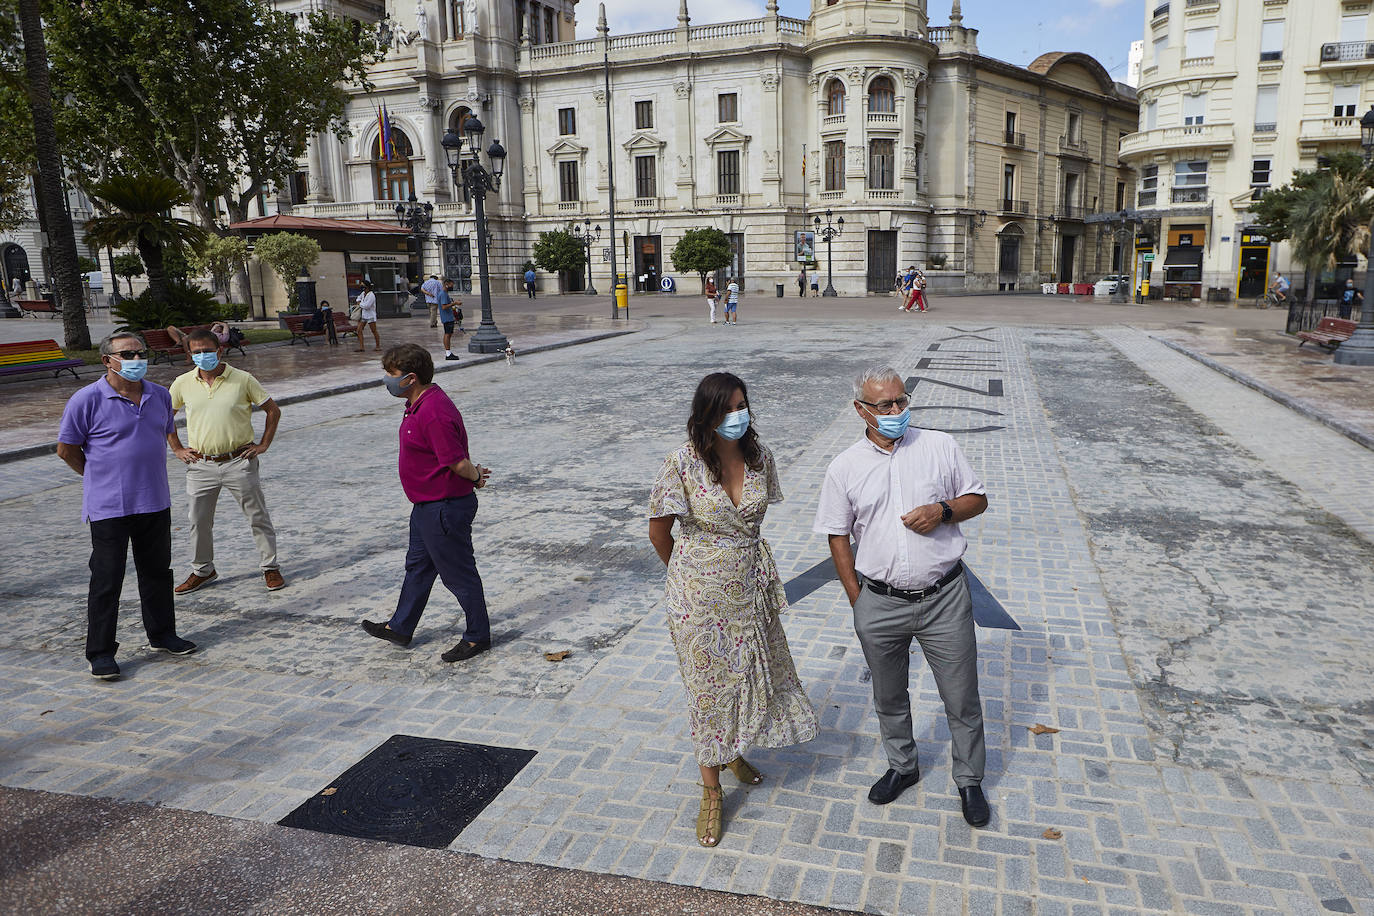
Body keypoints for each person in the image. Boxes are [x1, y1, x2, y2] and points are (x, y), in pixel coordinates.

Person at [813, 366, 992, 828]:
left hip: (944, 599)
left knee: (962, 698)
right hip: (880, 602)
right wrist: (859, 599)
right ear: (861, 410)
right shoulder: (844, 467)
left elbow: (978, 498)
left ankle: (969, 779)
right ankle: (903, 766)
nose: (897, 412)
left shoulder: (939, 447)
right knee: (889, 696)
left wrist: (943, 511)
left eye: (902, 401)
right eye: (885, 405)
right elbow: (837, 535)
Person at [649, 372, 818, 848]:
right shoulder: (682, 462)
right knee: (707, 689)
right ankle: (710, 789)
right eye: (726, 409)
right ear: (706, 415)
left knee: (747, 672)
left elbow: (760, 516)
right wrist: (691, 573)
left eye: (742, 405)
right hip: (698, 598)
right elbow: (659, 532)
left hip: (750, 586)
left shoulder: (760, 458)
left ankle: (734, 749)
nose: (736, 416)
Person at [56, 332, 198, 680]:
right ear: (108, 360)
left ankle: (162, 634)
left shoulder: (160, 395)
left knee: (157, 573)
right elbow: (67, 449)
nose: (136, 359)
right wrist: (97, 477)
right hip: (108, 507)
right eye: (127, 354)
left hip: (153, 500)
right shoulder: (86, 399)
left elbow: (162, 435)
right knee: (107, 579)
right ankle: (101, 652)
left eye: (140, 353)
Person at [362, 344, 493, 663]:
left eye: (391, 375)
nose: (386, 381)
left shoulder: (433, 411)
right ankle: (400, 626)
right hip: (425, 506)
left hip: (444, 507)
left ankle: (478, 636)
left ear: (410, 378)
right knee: (418, 567)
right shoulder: (417, 404)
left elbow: (457, 462)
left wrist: (475, 476)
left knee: (459, 574)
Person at [166, 328, 285, 594]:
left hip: (238, 461)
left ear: (219, 350)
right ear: (189, 354)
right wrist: (177, 449)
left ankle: (270, 567)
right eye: (196, 352)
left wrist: (263, 444)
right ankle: (203, 570)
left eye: (207, 351)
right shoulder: (182, 383)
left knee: (257, 516)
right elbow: (165, 416)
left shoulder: (242, 379)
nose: (202, 356)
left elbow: (272, 410)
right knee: (198, 520)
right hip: (201, 464)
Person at [438, 280, 462, 361]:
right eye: (451, 285)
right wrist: (454, 303)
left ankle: (448, 352)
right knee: (447, 334)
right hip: (447, 318)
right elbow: (444, 307)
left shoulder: (444, 293)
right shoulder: (443, 294)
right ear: (446, 284)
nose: (452, 287)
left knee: (449, 334)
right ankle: (448, 353)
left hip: (448, 317)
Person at [354, 281, 381, 351]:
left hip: (370, 316)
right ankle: (361, 347)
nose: (361, 286)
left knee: (374, 331)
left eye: (363, 285)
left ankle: (378, 346)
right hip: (364, 315)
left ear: (367, 286)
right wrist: (360, 303)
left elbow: (367, 306)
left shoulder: (371, 295)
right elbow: (358, 299)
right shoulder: (363, 293)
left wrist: (360, 304)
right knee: (359, 330)